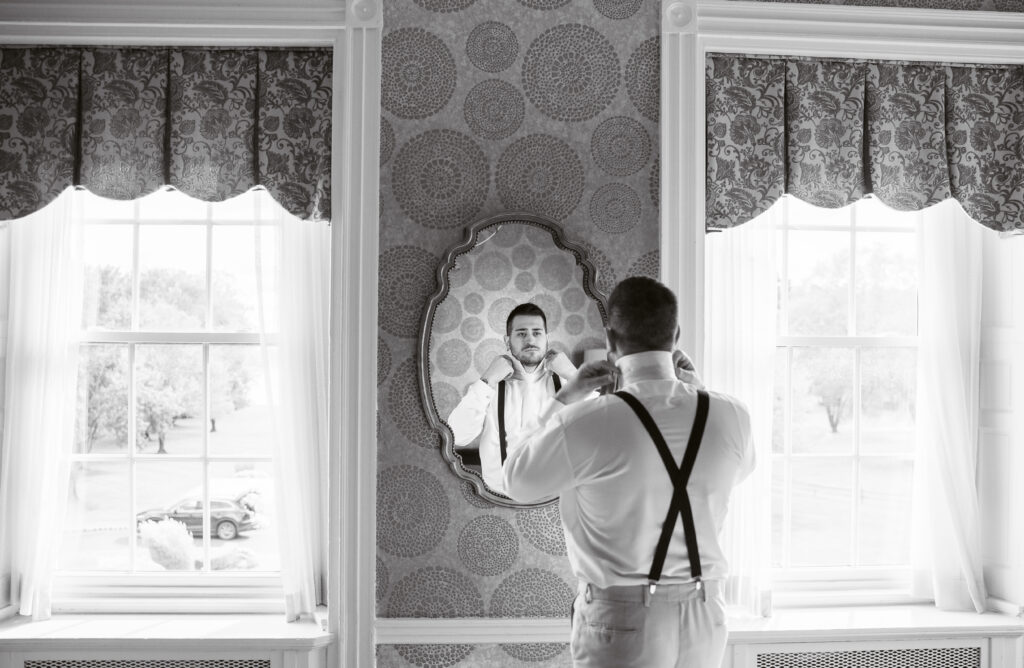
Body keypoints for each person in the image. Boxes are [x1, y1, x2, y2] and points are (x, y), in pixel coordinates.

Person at [503, 277, 754, 667]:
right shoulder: (731, 415)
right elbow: (733, 473)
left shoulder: (586, 420)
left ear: (611, 339)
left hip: (622, 616)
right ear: (677, 335)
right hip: (706, 614)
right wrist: (698, 390)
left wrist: (563, 399)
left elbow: (516, 480)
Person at [447, 303, 577, 495]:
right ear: (507, 341)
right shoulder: (487, 388)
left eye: (537, 333)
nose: (530, 339)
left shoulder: (568, 385)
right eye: (521, 333)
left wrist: (573, 375)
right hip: (497, 499)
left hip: (555, 500)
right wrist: (487, 381)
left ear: (547, 339)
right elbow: (456, 435)